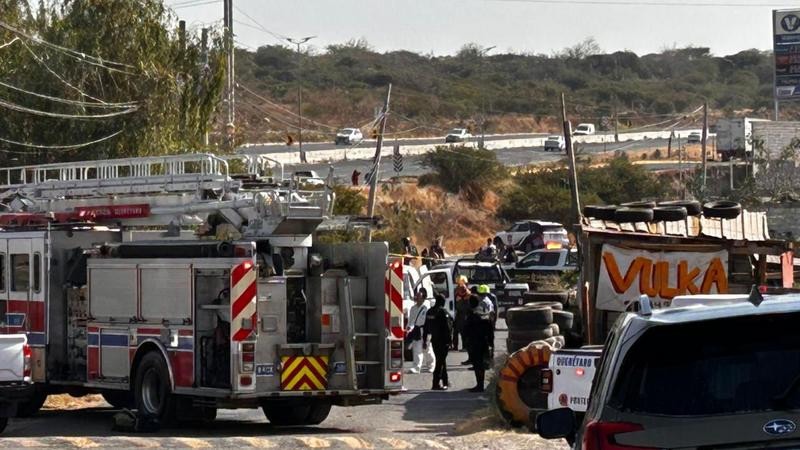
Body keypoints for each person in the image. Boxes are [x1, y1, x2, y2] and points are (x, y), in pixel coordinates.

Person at [424, 294, 453, 390]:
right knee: (440, 362)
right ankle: (435, 383)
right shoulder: (442, 312)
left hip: (434, 340)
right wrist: (450, 340)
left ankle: (445, 381)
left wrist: (425, 340)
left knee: (441, 360)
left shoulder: (430, 311)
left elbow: (425, 327)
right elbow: (448, 328)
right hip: (443, 341)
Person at [465, 294, 493, 392]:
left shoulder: (472, 315)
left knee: (477, 365)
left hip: (475, 342)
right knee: (482, 364)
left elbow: (467, 330)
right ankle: (480, 384)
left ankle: (479, 385)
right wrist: (491, 343)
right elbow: (490, 329)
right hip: (484, 342)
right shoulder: (484, 313)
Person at [406, 288, 435, 374]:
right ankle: (416, 367)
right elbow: (411, 320)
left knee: (427, 348)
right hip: (417, 330)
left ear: (423, 298)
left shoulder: (427, 307)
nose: (417, 297)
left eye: (419, 296)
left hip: (426, 329)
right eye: (416, 296)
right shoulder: (413, 308)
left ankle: (431, 365)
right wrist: (409, 327)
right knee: (416, 348)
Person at [453, 280, 471, 351]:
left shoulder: (467, 295)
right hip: (458, 314)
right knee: (456, 331)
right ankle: (455, 346)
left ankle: (464, 347)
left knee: (463, 331)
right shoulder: (457, 294)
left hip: (464, 315)